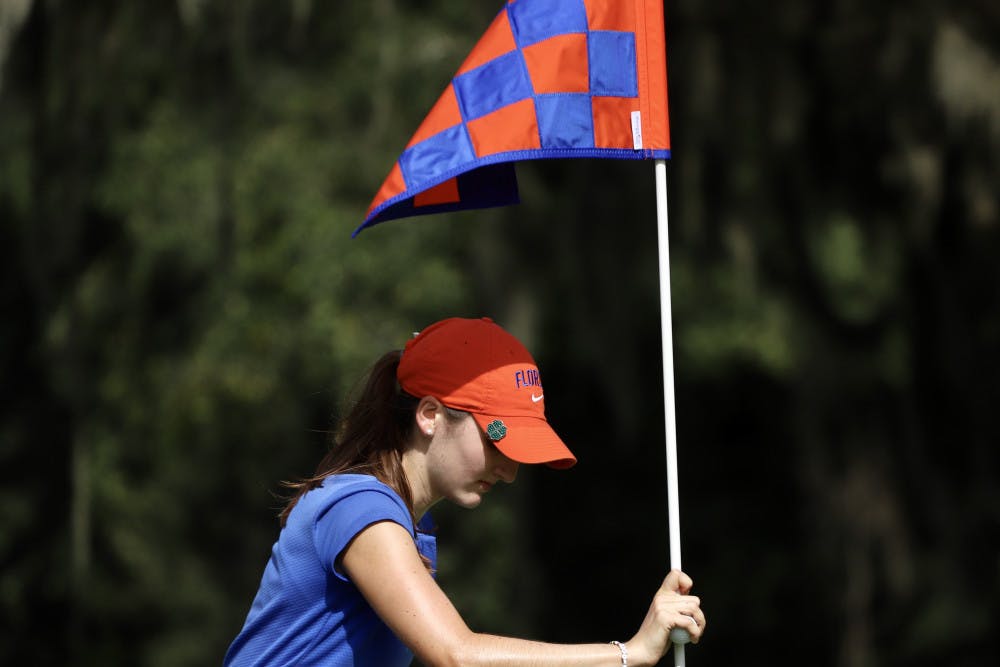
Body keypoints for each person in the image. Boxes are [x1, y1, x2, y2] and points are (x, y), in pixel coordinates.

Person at [224, 316, 705, 666]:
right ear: (430, 415)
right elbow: (459, 656)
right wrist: (630, 653)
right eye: (497, 441)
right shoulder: (361, 508)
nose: (510, 471)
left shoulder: (406, 525)